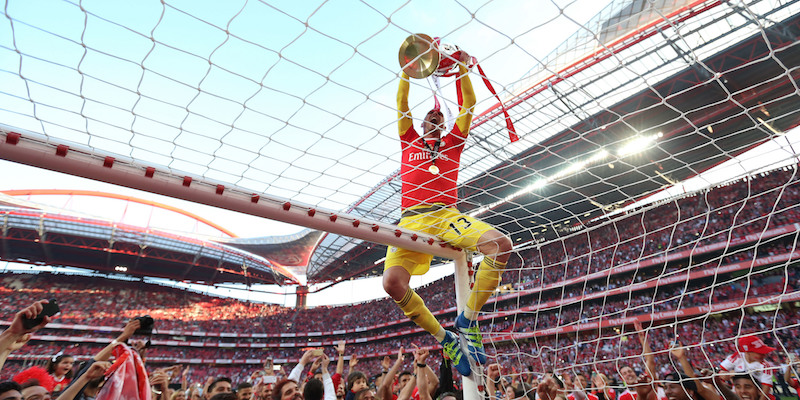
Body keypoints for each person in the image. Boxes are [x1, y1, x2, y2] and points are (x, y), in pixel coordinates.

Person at [383, 47, 513, 377]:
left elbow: (468, 105)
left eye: (440, 119)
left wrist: (463, 69)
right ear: (423, 122)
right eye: (432, 117)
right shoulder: (408, 138)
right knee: (392, 283)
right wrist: (407, 72)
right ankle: (446, 339)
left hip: (445, 214)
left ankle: (467, 320)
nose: (436, 121)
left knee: (501, 244)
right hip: (410, 218)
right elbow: (402, 104)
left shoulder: (453, 142)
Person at [719, 336, 774, 400]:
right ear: (747, 352)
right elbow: (720, 370)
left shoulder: (765, 366)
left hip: (758, 395)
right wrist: (724, 374)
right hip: (738, 393)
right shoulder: (737, 357)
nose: (764, 355)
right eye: (760, 353)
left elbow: (766, 388)